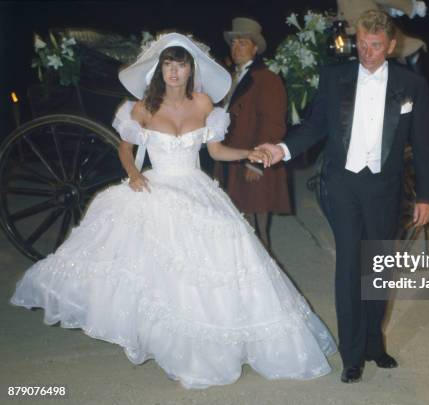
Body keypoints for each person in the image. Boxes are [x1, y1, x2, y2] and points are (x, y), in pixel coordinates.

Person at [10, 32, 335, 389]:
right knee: (163, 271)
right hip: (157, 185)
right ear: (159, 68)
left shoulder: (205, 105)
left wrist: (248, 153)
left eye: (180, 64)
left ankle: (215, 342)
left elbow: (215, 152)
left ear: (190, 69)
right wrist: (133, 174)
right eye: (168, 64)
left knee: (226, 252)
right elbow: (124, 148)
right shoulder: (142, 108)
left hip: (195, 185)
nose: (174, 72)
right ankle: (173, 345)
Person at [258, 10, 429, 383]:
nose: (367, 52)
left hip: (384, 190)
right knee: (349, 268)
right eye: (361, 44)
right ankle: (352, 354)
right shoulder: (334, 77)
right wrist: (282, 149)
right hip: (343, 186)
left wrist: (426, 195)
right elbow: (314, 126)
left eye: (375, 46)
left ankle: (374, 342)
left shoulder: (411, 86)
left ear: (390, 47)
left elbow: (422, 146)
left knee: (379, 270)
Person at [215, 17, 291, 249]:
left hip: (254, 162)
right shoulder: (230, 78)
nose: (237, 47)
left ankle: (266, 282)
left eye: (243, 43)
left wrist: (256, 163)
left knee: (257, 232)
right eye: (234, 42)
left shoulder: (267, 79)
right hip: (233, 160)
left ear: (255, 48)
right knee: (239, 227)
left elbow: (273, 124)